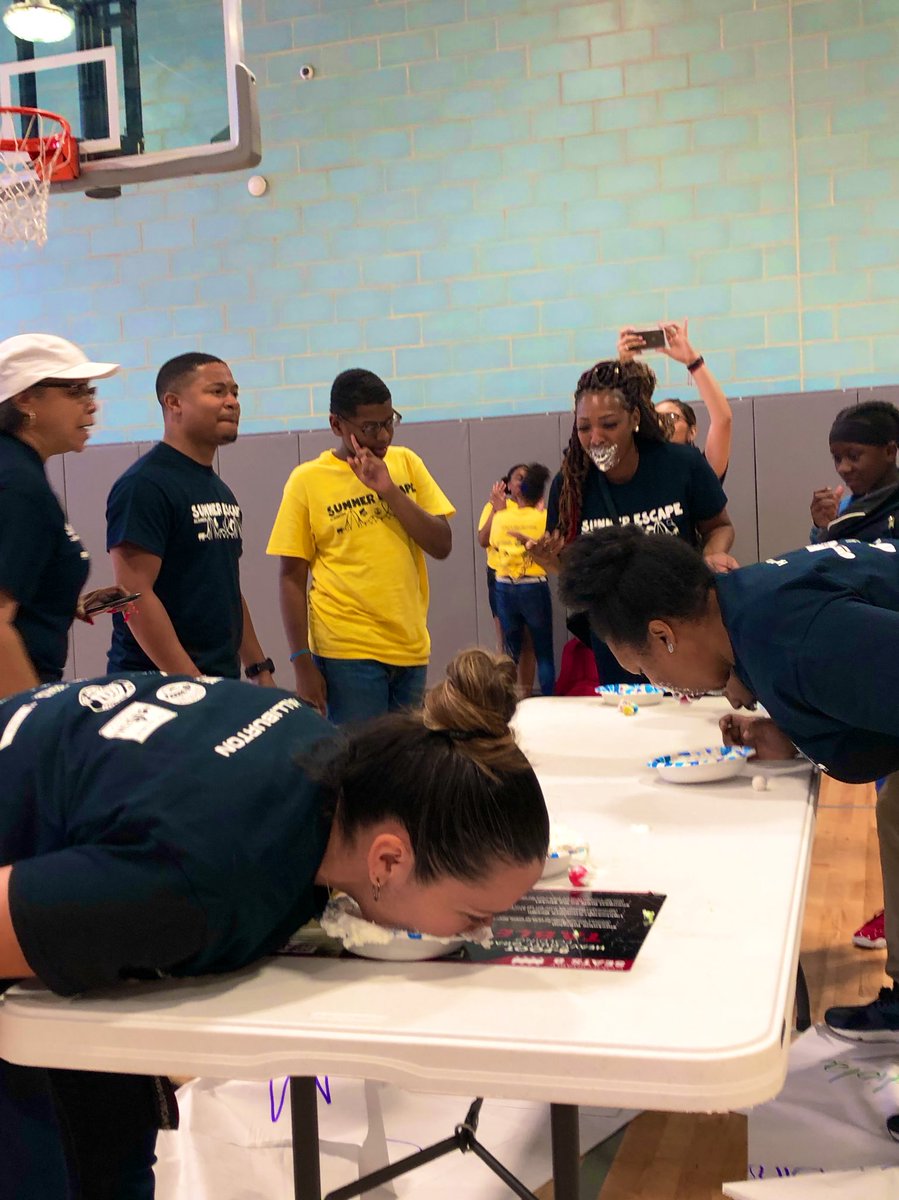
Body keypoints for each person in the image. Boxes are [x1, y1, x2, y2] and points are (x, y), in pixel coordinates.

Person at [0, 646, 547, 1199]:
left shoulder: (319, 751)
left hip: (72, 856)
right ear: (387, 861)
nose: (482, 934)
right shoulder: (207, 876)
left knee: (114, 1154)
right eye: (475, 917)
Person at [558, 525, 899, 1041]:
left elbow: (833, 655)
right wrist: (790, 727)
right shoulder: (749, 608)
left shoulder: (791, 639)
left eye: (647, 669)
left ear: (663, 635)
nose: (661, 686)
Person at [531, 358, 735, 685]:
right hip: (617, 641)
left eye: (608, 424)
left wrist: (712, 554)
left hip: (684, 627)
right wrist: (550, 563)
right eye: (584, 427)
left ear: (635, 418)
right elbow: (578, 575)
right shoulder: (569, 486)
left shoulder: (680, 464)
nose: (595, 437)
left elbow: (720, 526)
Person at [268, 368, 454, 723]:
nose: (383, 435)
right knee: (361, 763)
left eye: (390, 422)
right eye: (370, 427)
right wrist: (301, 661)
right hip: (345, 649)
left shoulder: (406, 463)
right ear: (337, 425)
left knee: (404, 760)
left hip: (411, 645)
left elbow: (441, 544)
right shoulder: (307, 481)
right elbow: (291, 578)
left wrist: (387, 489)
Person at [106, 353, 274, 685]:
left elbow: (227, 589)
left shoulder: (220, 491)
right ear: (174, 403)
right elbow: (134, 595)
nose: (232, 403)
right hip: (157, 686)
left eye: (235, 393)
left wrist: (259, 668)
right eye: (217, 392)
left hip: (217, 682)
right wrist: (193, 682)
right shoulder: (145, 485)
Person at [807, 401, 899, 954]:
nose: (843, 467)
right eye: (837, 457)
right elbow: (833, 575)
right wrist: (824, 530)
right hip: (875, 678)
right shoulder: (851, 508)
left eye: (855, 455)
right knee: (889, 809)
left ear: (891, 450)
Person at [0, 333, 122, 699]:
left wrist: (59, 600)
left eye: (91, 391)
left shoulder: (17, 468)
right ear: (24, 397)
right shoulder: (17, 483)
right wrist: (36, 729)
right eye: (75, 391)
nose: (91, 405)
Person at [618, 320, 734, 482]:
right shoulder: (644, 471)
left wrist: (692, 361)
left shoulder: (701, 470)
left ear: (692, 431)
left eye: (672, 417)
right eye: (657, 418)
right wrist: (626, 363)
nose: (662, 423)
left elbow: (723, 420)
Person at [489, 462, 555, 697]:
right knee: (544, 651)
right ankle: (549, 702)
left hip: (505, 587)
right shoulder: (545, 518)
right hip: (534, 586)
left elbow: (493, 543)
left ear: (517, 490)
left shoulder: (500, 517)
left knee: (509, 652)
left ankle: (503, 702)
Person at [477, 463, 537, 694]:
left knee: (529, 640)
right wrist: (497, 510)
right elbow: (483, 540)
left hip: (530, 576)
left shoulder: (536, 507)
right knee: (506, 640)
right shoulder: (495, 506)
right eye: (518, 477)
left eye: (527, 478)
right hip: (499, 577)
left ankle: (527, 696)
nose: (523, 482)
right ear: (508, 483)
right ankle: (506, 695)